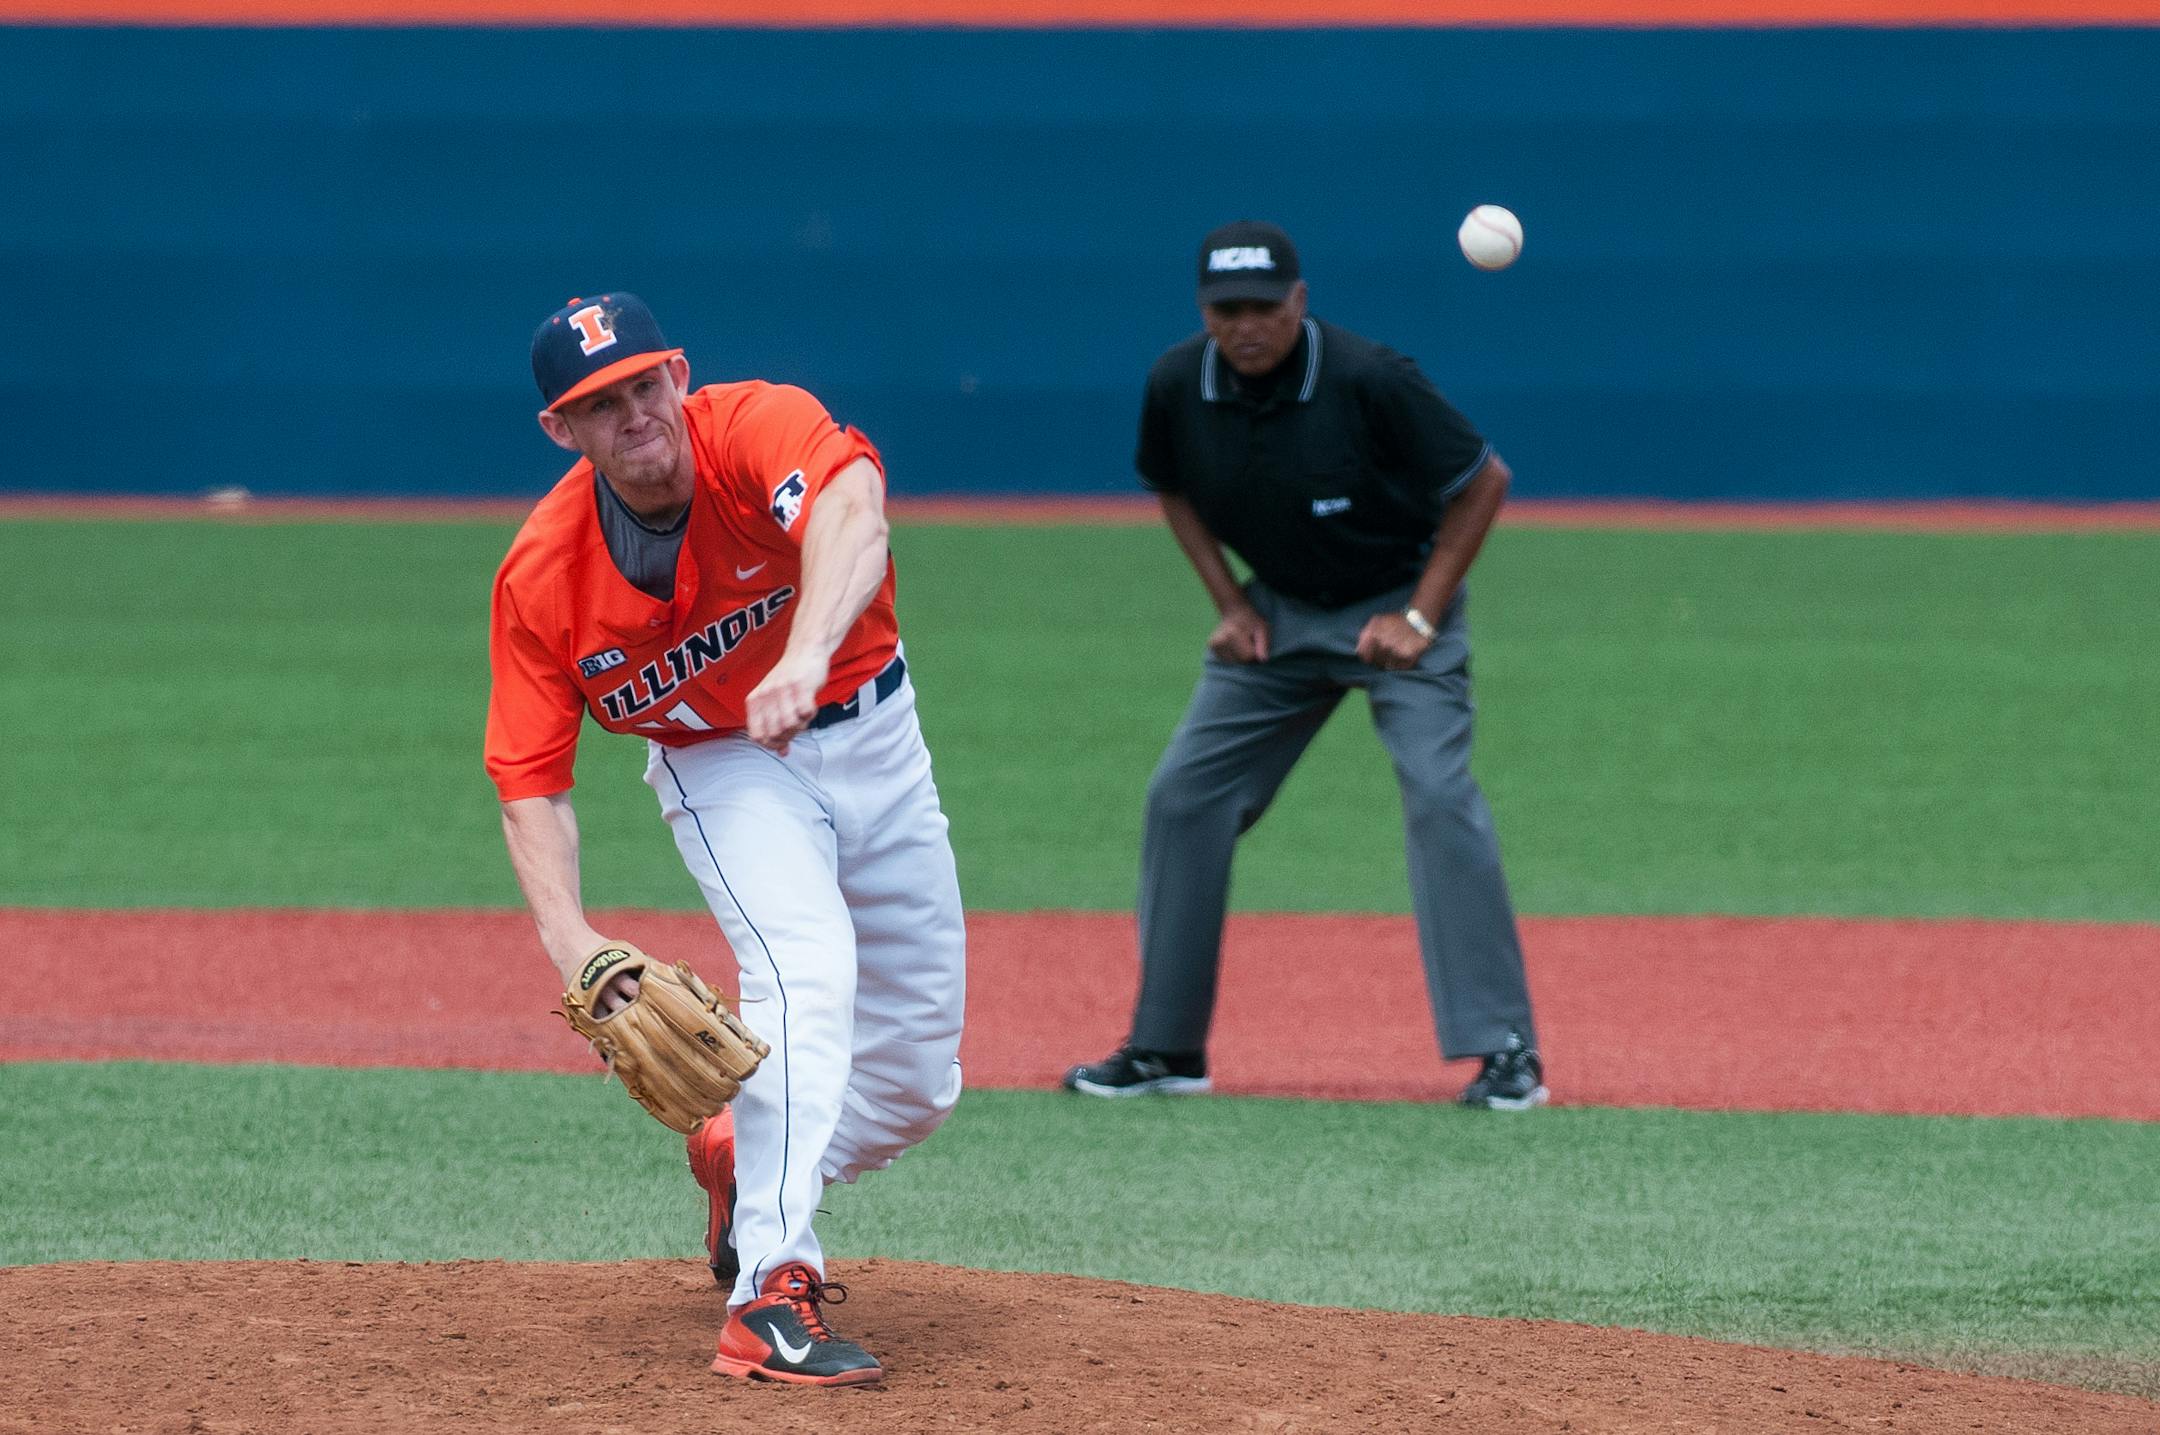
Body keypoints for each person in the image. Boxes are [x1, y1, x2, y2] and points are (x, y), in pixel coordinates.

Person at [486, 292, 966, 1386]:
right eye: (599, 404)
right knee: (805, 971)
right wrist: (574, 948)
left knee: (917, 1084)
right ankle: (769, 1295)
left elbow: (855, 511)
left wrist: (805, 651)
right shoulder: (542, 575)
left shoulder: (758, 425)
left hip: (876, 733)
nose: (634, 413)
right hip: (724, 760)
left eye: (644, 384)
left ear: (680, 375)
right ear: (563, 430)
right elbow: (530, 782)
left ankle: (744, 1159)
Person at [1063, 222, 1546, 1111]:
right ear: (1205, 311)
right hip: (1278, 620)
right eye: (1225, 309)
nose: (1244, 325)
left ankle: (1505, 1047)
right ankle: (1167, 1045)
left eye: (1261, 306)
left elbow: (1483, 482)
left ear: (1298, 300)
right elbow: (1169, 484)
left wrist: (1419, 615)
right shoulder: (1179, 381)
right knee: (1184, 796)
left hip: (1396, 611)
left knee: (1439, 795)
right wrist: (1232, 605)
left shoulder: (1368, 377)